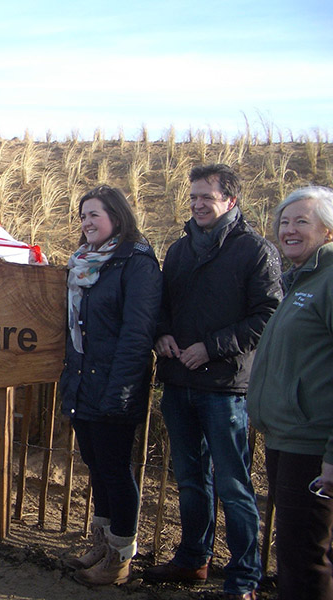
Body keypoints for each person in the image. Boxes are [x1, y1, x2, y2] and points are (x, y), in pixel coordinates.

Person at [143, 164, 282, 599]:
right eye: (193, 198)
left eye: (208, 197)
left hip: (225, 387)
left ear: (230, 201)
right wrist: (162, 332)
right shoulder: (179, 250)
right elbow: (161, 304)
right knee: (189, 479)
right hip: (179, 382)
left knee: (234, 484)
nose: (198, 204)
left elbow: (268, 315)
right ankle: (193, 559)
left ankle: (244, 577)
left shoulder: (255, 251)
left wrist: (213, 346)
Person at [59, 185, 162, 585]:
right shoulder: (84, 262)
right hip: (84, 381)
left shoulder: (137, 264)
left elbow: (137, 334)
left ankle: (120, 558)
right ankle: (102, 545)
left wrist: (119, 390)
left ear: (116, 218)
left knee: (116, 471)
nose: (86, 222)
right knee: (97, 467)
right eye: (83, 215)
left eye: (94, 215)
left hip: (115, 384)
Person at [248, 186, 333, 600]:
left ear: (328, 231)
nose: (289, 229)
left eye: (302, 221)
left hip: (314, 446)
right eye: (284, 221)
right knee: (297, 552)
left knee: (304, 559)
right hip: (288, 438)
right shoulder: (301, 280)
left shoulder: (329, 281)